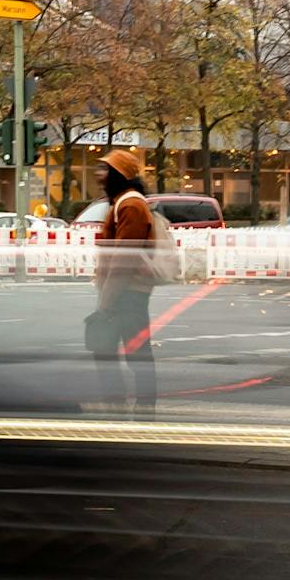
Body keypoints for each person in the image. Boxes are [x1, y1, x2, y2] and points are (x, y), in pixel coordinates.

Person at [90, 148, 158, 413]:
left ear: (119, 175)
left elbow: (123, 257)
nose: (99, 175)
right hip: (123, 291)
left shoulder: (131, 205)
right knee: (110, 349)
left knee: (131, 351)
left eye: (105, 169)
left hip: (127, 293)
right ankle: (121, 402)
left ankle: (138, 407)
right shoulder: (123, 203)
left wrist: (106, 301)